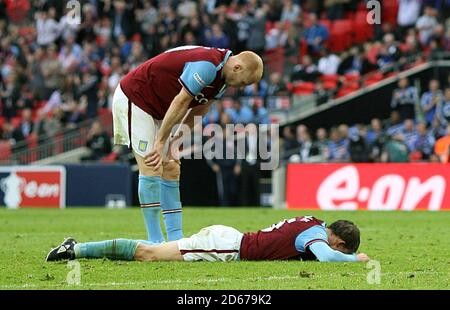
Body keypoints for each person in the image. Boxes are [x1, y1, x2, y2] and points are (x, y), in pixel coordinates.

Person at [112, 46, 263, 243]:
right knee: (152, 164)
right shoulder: (208, 65)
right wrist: (160, 143)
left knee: (172, 166)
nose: (241, 87)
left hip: (159, 109)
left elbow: (199, 110)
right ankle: (155, 240)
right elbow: (181, 101)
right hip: (136, 97)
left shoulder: (222, 80)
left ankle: (176, 239)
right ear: (236, 67)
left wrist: (176, 140)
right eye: (243, 82)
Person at [46, 215, 370, 263]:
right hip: (229, 246)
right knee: (149, 253)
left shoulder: (312, 222)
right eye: (340, 247)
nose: (333, 249)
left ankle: (77, 247)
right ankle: (76, 251)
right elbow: (326, 257)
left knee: (154, 250)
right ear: (338, 240)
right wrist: (355, 260)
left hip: (229, 237)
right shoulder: (317, 236)